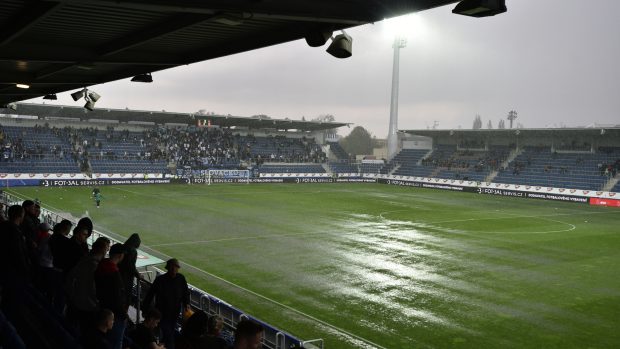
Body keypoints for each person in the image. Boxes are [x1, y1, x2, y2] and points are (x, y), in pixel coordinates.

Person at [66, 236, 111, 333]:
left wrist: (72, 296)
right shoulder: (95, 265)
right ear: (103, 249)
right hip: (89, 307)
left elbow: (70, 278)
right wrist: (97, 304)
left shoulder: (84, 259)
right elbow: (94, 289)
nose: (107, 250)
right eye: (107, 248)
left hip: (77, 302)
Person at [143, 258, 190, 349]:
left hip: (175, 314)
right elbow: (150, 294)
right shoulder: (160, 280)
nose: (173, 270)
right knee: (167, 335)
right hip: (161, 314)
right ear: (168, 268)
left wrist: (186, 303)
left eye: (175, 267)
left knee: (167, 333)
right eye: (172, 267)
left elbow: (185, 292)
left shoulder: (181, 278)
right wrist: (145, 309)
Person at [95, 243, 128, 349]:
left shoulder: (101, 265)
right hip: (114, 315)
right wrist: (124, 315)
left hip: (103, 308)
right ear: (120, 255)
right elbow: (117, 298)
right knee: (116, 342)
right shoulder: (113, 273)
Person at [119, 233, 142, 306]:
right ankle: (123, 314)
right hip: (126, 277)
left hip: (119, 274)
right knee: (126, 296)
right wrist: (137, 274)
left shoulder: (124, 247)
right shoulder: (133, 250)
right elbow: (131, 265)